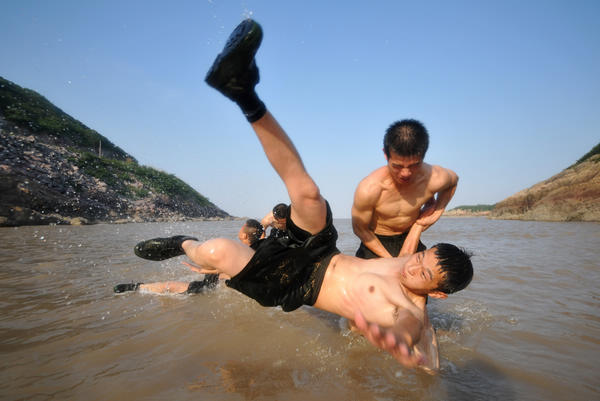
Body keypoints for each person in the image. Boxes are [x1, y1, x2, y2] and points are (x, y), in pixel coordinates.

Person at [133, 19, 473, 370]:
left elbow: (410, 330)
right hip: (322, 250)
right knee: (309, 194)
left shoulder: (411, 312)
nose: (412, 266)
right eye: (420, 258)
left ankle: (182, 242)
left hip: (298, 282)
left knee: (213, 251)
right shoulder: (404, 256)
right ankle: (243, 90)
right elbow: (399, 242)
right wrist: (419, 228)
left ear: (436, 293)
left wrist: (403, 346)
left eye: (422, 273)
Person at [352, 120, 458, 259]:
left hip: (411, 236)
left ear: (423, 155)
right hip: (376, 242)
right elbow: (360, 230)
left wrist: (438, 211)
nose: (405, 173)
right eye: (397, 166)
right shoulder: (370, 188)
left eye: (414, 165)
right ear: (386, 154)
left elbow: (453, 181)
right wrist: (393, 261)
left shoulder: (435, 178)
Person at [114, 219, 263, 294]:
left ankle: (137, 287)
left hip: (212, 284)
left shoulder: (238, 250)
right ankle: (137, 287)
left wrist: (205, 271)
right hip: (216, 278)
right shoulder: (256, 252)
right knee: (175, 286)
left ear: (243, 234)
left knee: (171, 287)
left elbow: (230, 274)